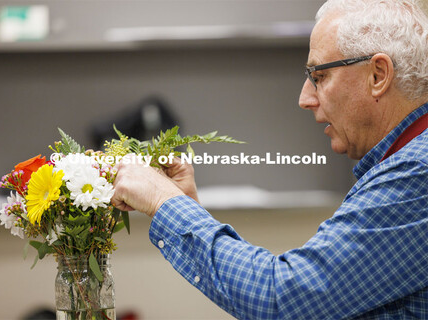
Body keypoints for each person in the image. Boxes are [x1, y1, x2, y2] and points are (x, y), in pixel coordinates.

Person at [111, 0, 428, 318]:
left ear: (378, 75)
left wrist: (164, 202)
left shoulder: (417, 173)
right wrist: (187, 211)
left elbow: (281, 298)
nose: (305, 98)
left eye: (319, 76)